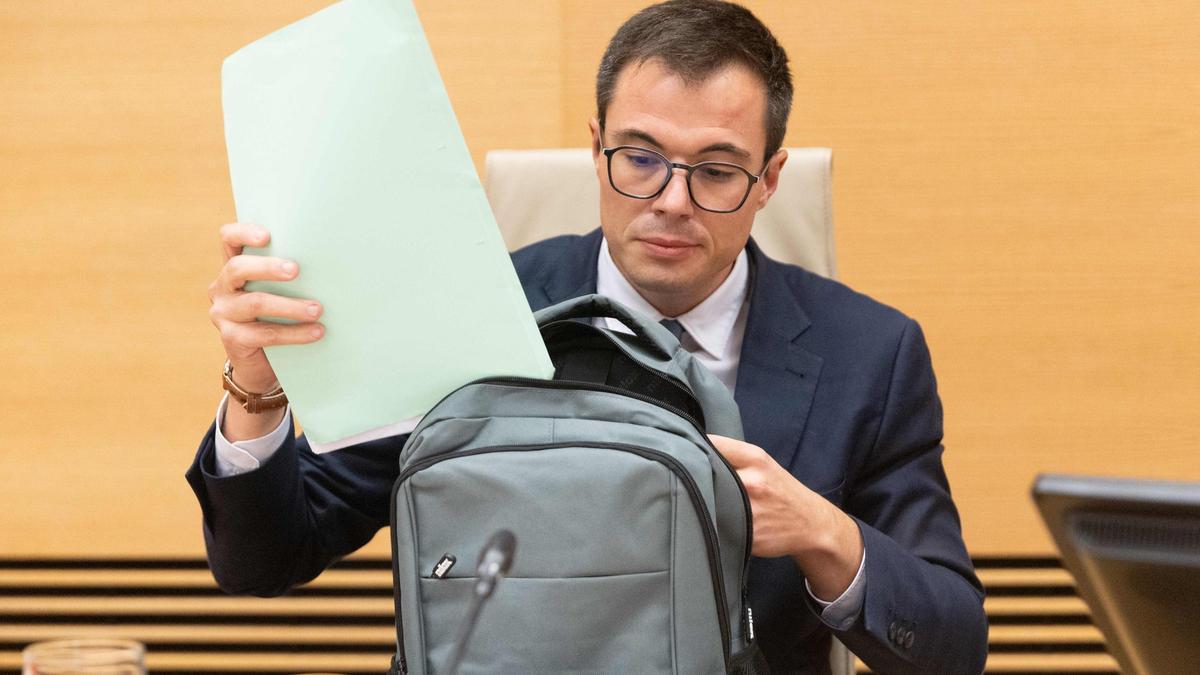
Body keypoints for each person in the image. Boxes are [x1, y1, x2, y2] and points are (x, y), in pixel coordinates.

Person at [189, 1, 988, 672]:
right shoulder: (473, 312)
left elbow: (951, 643)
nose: (672, 200)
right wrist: (256, 390)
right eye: (640, 157)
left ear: (769, 180)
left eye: (715, 170)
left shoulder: (871, 353)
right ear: (595, 147)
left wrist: (823, 531)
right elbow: (265, 560)